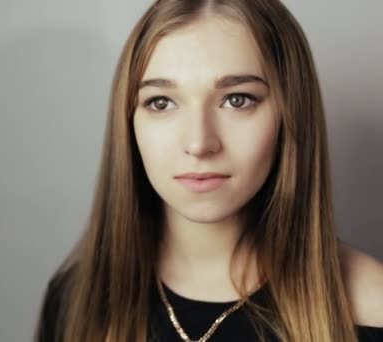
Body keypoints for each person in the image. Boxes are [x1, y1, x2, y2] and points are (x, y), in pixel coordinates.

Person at [33, 0, 383, 341]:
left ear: (291, 113)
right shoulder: (77, 299)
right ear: (129, 122)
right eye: (161, 102)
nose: (199, 143)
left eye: (237, 99)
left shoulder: (373, 308)